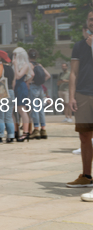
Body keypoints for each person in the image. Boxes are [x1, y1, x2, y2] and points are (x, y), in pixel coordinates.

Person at [67, 10, 93, 201]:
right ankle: (86, 176)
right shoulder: (79, 46)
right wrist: (71, 97)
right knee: (84, 135)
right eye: (91, 19)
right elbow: (73, 73)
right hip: (83, 94)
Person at [0, 50, 15, 143]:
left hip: (2, 92)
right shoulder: (11, 68)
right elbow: (13, 82)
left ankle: (0, 136)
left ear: (0, 58)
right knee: (8, 116)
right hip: (11, 92)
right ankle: (11, 136)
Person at [27, 49, 51, 140]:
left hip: (33, 87)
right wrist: (40, 82)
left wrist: (30, 82)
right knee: (41, 109)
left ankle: (36, 129)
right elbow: (48, 75)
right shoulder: (39, 65)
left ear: (28, 56)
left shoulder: (29, 65)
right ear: (36, 56)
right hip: (40, 88)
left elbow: (31, 75)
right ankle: (43, 129)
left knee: (34, 109)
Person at [12, 47, 34, 142]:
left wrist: (15, 65)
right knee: (13, 110)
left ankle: (26, 132)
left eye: (15, 55)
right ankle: (15, 131)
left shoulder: (25, 64)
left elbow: (18, 76)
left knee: (22, 109)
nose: (14, 57)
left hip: (21, 87)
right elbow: (32, 74)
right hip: (17, 87)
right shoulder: (21, 64)